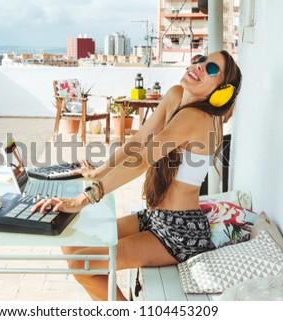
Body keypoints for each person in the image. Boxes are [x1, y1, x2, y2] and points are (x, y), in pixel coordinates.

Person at [32, 50, 242, 301]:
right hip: (154, 217)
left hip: (180, 232)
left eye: (211, 69)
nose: (199, 65)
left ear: (223, 91)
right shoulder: (176, 95)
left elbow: (143, 158)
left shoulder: (196, 118)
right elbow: (139, 139)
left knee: (82, 264)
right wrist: (98, 171)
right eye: (199, 59)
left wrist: (83, 198)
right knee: (71, 236)